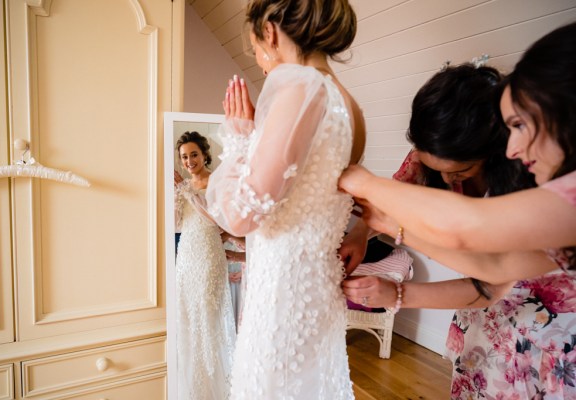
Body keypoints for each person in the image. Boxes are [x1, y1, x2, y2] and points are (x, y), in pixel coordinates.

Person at [340, 22, 576, 398]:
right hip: (483, 329)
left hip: (545, 342)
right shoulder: (427, 159)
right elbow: (490, 272)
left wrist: (369, 191)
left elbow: (482, 257)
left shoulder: (543, 185)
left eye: (520, 124)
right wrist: (361, 233)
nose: (446, 179)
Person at [205, 0, 365, 398]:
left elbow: (241, 216)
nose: (261, 63)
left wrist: (240, 136)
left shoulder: (298, 84)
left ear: (271, 32)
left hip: (282, 296)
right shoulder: (350, 105)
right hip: (316, 288)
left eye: (256, 49)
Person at [173, 131, 236, 400]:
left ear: (204, 154)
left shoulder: (217, 181)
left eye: (193, 155)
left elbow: (219, 220)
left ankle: (215, 387)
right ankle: (191, 386)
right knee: (187, 316)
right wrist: (176, 197)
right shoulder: (184, 186)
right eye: (184, 157)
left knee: (209, 317)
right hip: (186, 255)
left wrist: (187, 193)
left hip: (210, 256)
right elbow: (177, 225)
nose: (189, 161)